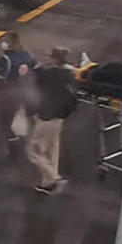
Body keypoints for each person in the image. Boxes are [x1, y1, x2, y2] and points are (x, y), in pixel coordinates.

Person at [27, 46, 77, 195]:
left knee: (33, 151)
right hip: (59, 117)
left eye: (49, 57)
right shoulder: (67, 74)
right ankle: (47, 183)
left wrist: (31, 112)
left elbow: (33, 85)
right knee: (51, 149)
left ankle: (54, 177)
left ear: (54, 59)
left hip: (46, 117)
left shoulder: (45, 74)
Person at [0, 31, 37, 158]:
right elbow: (36, 69)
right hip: (26, 92)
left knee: (6, 123)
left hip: (9, 95)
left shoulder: (4, 59)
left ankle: (14, 150)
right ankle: (29, 145)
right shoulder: (27, 55)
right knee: (26, 118)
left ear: (8, 44)